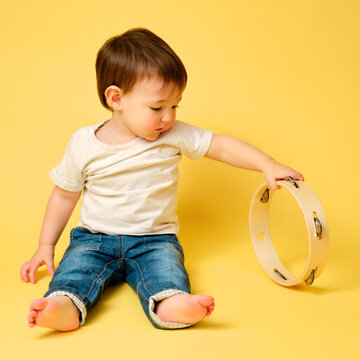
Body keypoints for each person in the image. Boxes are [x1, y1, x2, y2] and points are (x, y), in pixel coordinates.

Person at [20, 28, 304, 332]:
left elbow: (220, 145)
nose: (168, 117)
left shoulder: (172, 134)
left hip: (154, 240)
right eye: (157, 107)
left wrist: (267, 164)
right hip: (95, 237)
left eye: (175, 105)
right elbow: (64, 195)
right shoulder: (83, 144)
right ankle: (64, 306)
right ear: (117, 98)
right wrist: (45, 244)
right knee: (75, 269)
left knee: (166, 270)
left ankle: (171, 302)